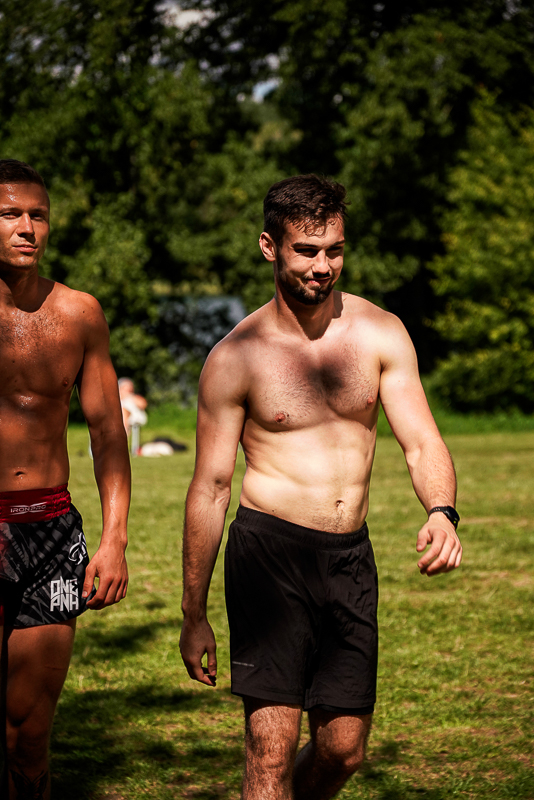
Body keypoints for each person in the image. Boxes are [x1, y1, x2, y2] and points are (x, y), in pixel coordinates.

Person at [179, 174, 462, 800]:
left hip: (349, 558)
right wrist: (193, 613)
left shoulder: (380, 332)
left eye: (334, 250)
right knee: (270, 753)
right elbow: (211, 488)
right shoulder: (236, 356)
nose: (322, 266)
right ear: (269, 247)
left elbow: (421, 441)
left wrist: (442, 510)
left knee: (343, 751)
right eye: (306, 251)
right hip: (269, 556)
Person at [0, 159, 130, 799]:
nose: (27, 228)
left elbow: (108, 433)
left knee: (29, 736)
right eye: (10, 214)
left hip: (51, 532)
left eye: (38, 215)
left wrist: (114, 539)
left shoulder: (79, 313)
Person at [118, 377, 148, 455]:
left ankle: (121, 441)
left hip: (133, 417)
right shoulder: (115, 398)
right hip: (118, 418)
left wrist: (129, 396)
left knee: (123, 411)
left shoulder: (133, 398)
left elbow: (143, 404)